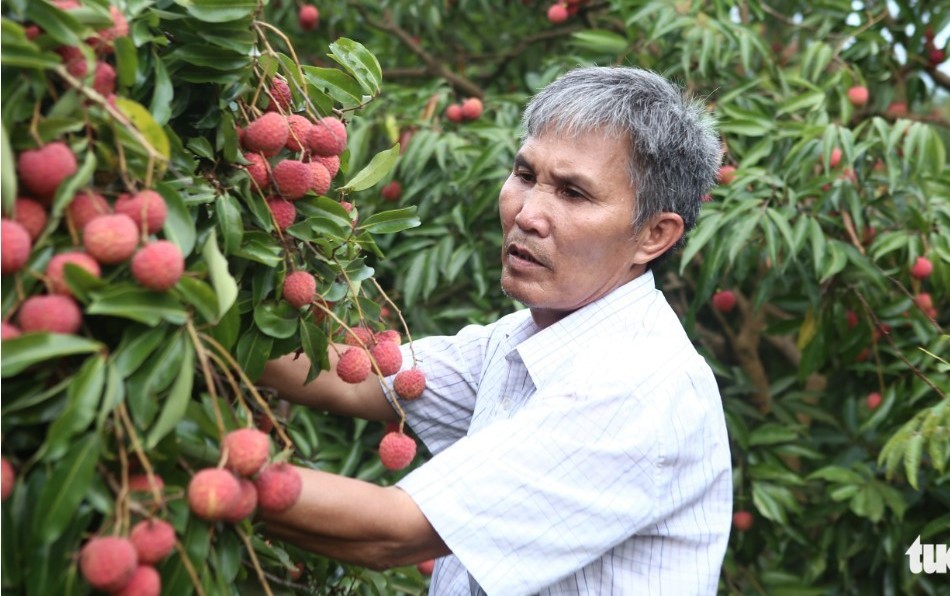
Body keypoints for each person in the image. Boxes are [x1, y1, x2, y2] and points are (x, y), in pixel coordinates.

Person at [258, 65, 732, 595]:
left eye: (573, 194)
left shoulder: (638, 385)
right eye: (526, 176)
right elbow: (360, 377)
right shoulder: (522, 340)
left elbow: (391, 534)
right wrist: (196, 329)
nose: (528, 213)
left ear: (654, 235)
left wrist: (181, 475)